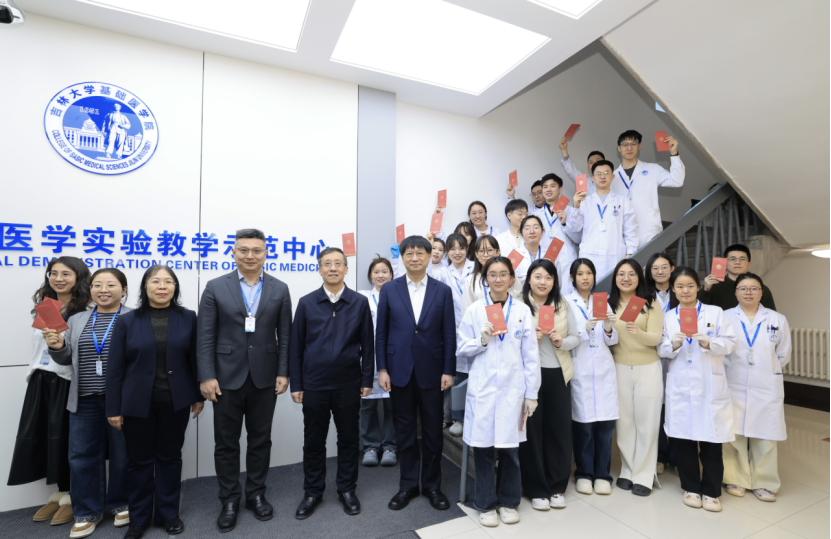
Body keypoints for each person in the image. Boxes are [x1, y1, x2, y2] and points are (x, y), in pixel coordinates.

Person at [196, 229, 292, 532]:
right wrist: (206, 376)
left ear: (266, 253)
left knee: (260, 440)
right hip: (225, 378)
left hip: (265, 377)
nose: (250, 256)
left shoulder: (280, 288)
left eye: (256, 250)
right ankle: (229, 499)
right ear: (234, 253)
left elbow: (285, 336)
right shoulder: (215, 286)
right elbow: (204, 336)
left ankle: (256, 494)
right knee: (226, 443)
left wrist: (283, 371)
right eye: (243, 250)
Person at [105, 266, 204, 538]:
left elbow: (195, 359)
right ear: (145, 286)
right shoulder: (127, 321)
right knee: (139, 462)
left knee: (170, 458)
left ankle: (168, 514)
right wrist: (113, 408)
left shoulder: (188, 318)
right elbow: (115, 368)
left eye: (168, 281)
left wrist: (197, 396)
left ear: (175, 287)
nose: (162, 286)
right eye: (156, 281)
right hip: (137, 404)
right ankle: (138, 518)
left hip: (176, 402)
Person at [290, 248, 374, 519]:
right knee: (313, 441)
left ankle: (347, 489)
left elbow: (368, 346)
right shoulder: (306, 303)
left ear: (346, 269)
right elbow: (296, 347)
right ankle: (313, 491)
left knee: (348, 439)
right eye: (327, 264)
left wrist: (367, 378)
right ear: (319, 269)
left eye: (338, 263)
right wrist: (296, 384)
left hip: (348, 383)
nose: (333, 268)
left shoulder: (359, 303)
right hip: (313, 384)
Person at [456, 257, 541, 527]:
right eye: (492, 274)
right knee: (482, 450)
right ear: (485, 279)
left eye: (503, 274)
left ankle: (508, 502)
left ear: (512, 278)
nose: (498, 279)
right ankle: (485, 504)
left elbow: (531, 356)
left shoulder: (522, 311)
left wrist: (531, 394)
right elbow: (461, 349)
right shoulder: (475, 310)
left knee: (510, 449)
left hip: (512, 391)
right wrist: (480, 340)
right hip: (483, 390)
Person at [43, 267, 126, 538]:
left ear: (124, 290)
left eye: (111, 285)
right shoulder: (78, 319)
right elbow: (65, 357)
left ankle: (122, 503)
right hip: (84, 399)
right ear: (90, 290)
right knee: (81, 457)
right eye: (97, 285)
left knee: (124, 454)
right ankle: (88, 512)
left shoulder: (134, 317)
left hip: (121, 400)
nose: (103, 290)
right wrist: (56, 346)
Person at [375, 236, 456, 512]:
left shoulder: (442, 291)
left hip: (433, 371)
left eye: (420, 253)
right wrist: (382, 369)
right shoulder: (390, 289)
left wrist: (448, 370)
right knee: (405, 430)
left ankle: (433, 486)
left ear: (429, 256)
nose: (415, 257)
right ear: (402, 258)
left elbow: (449, 334)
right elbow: (381, 333)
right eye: (409, 253)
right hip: (399, 371)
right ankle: (408, 485)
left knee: (433, 432)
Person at [9, 257, 91, 527]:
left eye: (66, 274)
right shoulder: (46, 306)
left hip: (68, 381)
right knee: (47, 437)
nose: (58, 278)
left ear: (79, 277)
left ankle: (74, 495)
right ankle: (60, 492)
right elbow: (38, 347)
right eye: (53, 273)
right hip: (41, 380)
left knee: (68, 439)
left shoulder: (87, 309)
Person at [658, 267, 737, 512]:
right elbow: (661, 349)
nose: (685, 291)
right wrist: (672, 344)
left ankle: (711, 491)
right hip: (681, 384)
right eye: (680, 286)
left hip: (709, 383)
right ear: (673, 289)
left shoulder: (715, 312)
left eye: (690, 285)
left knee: (712, 440)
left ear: (698, 287)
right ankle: (691, 487)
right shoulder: (668, 317)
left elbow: (731, 342)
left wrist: (709, 342)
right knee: (683, 440)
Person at [517, 259, 580, 510]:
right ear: (529, 279)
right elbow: (508, 341)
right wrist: (528, 338)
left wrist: (560, 341)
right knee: (531, 432)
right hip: (528, 376)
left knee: (558, 430)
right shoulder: (519, 305)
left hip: (557, 374)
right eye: (538, 276)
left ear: (554, 281)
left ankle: (556, 486)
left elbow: (575, 337)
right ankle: (536, 489)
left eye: (548, 277)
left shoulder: (562, 305)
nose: (543, 282)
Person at [723, 273, 791, 503]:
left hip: (765, 384)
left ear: (762, 292)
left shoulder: (777, 319)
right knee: (734, 433)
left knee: (766, 434)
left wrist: (764, 369)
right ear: (735, 292)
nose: (748, 292)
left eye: (754, 288)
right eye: (743, 288)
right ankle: (735, 478)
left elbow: (783, 354)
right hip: (733, 381)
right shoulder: (726, 317)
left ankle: (764, 481)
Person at [609, 259, 665, 497]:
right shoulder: (609, 304)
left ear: (639, 278)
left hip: (648, 368)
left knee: (647, 422)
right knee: (624, 423)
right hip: (619, 367)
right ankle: (628, 470)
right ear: (615, 278)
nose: (626, 278)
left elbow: (656, 338)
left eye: (631, 274)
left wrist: (638, 332)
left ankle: (644, 475)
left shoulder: (650, 302)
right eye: (621, 274)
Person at [566, 259, 619, 496]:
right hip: (581, 368)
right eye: (580, 273)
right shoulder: (566, 303)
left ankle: (603, 474)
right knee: (584, 428)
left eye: (589, 273)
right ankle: (584, 473)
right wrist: (583, 330)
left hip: (604, 370)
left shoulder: (602, 301)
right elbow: (564, 338)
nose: (585, 277)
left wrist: (608, 327)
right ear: (572, 277)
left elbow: (612, 340)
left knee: (606, 427)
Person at [425, 234, 475, 436]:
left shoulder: (476, 269)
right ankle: (456, 417)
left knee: (474, 374)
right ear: (447, 252)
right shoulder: (444, 272)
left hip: (475, 328)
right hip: (452, 329)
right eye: (452, 249)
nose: (457, 252)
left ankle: (470, 417)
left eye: (461, 248)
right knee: (457, 374)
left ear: (467, 249)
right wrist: (428, 248)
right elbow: (428, 277)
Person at [566, 159, 638, 280]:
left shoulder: (623, 201)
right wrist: (575, 207)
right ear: (593, 178)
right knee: (590, 287)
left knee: (613, 286)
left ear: (612, 176)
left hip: (614, 256)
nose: (602, 177)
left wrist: (630, 253)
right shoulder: (585, 202)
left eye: (606, 173)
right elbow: (574, 228)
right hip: (590, 255)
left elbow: (631, 229)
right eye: (598, 174)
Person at [612, 130, 685, 246]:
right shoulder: (612, 177)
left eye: (633, 144)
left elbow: (677, 181)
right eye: (625, 144)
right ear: (619, 148)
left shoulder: (652, 169)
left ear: (639, 146)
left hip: (649, 231)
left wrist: (674, 153)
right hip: (623, 233)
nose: (629, 148)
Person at [358, 256, 397, 468]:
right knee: (367, 404)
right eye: (376, 272)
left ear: (391, 274)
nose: (381, 275)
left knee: (393, 405)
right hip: (367, 358)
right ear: (370, 276)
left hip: (392, 358)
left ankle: (390, 446)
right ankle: (370, 446)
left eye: (384, 271)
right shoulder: (362, 297)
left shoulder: (398, 296)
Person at [645, 253, 677, 475]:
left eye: (664, 267)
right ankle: (660, 456)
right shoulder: (643, 295)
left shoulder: (681, 292)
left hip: (677, 356)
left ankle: (677, 456)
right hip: (652, 356)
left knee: (675, 407)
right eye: (655, 268)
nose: (660, 272)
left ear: (672, 268)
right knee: (656, 408)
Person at [532, 173, 577, 294]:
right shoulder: (536, 215)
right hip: (546, 258)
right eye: (545, 187)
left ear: (560, 189)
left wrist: (565, 223)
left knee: (567, 294)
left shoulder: (570, 210)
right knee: (548, 295)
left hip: (566, 258)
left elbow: (578, 238)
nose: (548, 189)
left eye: (552, 186)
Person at [699, 244, 776, 311]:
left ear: (749, 264)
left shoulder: (759, 288)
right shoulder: (713, 285)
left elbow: (771, 316)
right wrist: (706, 290)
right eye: (732, 259)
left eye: (742, 259)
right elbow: (698, 311)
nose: (737, 262)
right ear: (725, 264)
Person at [461, 236, 522, 315]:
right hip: (481, 320)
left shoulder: (508, 275)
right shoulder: (470, 280)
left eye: (490, 250)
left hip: (509, 317)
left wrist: (509, 288)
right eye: (481, 251)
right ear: (476, 254)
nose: (485, 255)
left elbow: (520, 300)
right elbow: (466, 310)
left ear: (498, 252)